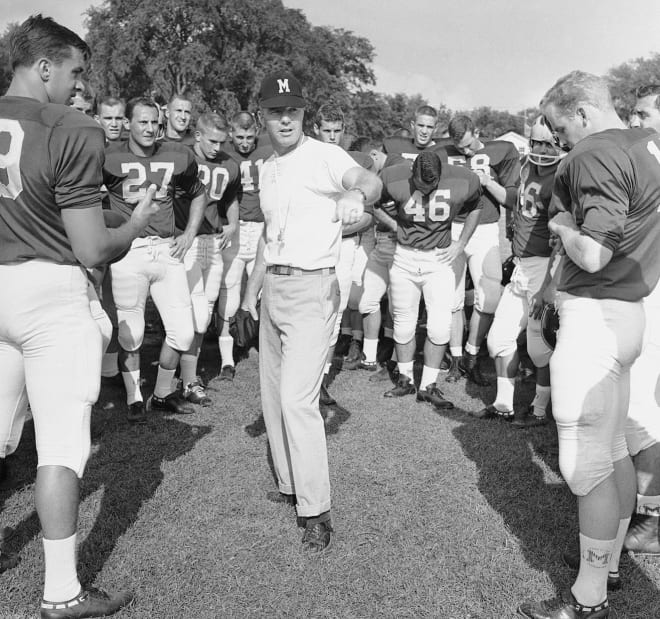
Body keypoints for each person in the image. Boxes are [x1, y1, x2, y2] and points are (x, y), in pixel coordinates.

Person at [0, 14, 159, 616]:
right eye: (73, 70)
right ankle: (62, 592)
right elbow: (93, 248)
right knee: (62, 447)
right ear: (43, 66)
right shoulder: (69, 126)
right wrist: (139, 223)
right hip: (49, 294)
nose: (77, 84)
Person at [517, 71, 660, 619]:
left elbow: (595, 252)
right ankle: (612, 564)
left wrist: (559, 225)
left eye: (559, 128)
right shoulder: (646, 144)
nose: (559, 141)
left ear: (581, 113)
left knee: (585, 464)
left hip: (597, 315)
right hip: (628, 313)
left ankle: (588, 596)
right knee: (616, 445)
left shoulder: (595, 151)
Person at [241, 72, 382, 553]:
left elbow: (369, 179)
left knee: (298, 400)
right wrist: (249, 294)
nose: (285, 119)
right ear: (263, 113)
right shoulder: (267, 166)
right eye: (276, 110)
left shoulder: (325, 155)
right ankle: (289, 485)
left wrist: (356, 194)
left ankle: (316, 511)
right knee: (274, 396)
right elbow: (269, 236)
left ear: (304, 114)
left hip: (312, 287)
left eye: (293, 111)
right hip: (274, 288)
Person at [103, 97, 207, 423]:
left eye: (153, 122)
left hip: (166, 249)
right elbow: (85, 197)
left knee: (183, 333)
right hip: (128, 250)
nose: (149, 128)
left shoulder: (177, 153)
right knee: (130, 334)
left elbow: (199, 192)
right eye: (142, 122)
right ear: (129, 123)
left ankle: (161, 394)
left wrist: (190, 232)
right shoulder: (108, 156)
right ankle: (135, 397)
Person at [475, 116, 562, 425]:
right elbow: (516, 201)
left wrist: (548, 284)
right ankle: (503, 404)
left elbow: (560, 237)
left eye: (545, 143)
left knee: (540, 347)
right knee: (498, 339)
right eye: (535, 141)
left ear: (559, 141)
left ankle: (540, 410)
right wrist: (489, 183)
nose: (539, 148)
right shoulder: (526, 167)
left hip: (543, 266)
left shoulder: (563, 175)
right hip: (521, 265)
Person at [379, 151, 482, 408]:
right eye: (421, 186)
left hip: (439, 259)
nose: (425, 192)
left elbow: (477, 207)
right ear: (412, 173)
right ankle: (405, 380)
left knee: (439, 325)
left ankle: (428, 385)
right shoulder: (393, 176)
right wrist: (394, 225)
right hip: (404, 256)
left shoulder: (463, 179)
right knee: (403, 321)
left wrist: (462, 243)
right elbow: (373, 203)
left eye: (431, 187)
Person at [439, 115, 520, 386]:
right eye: (458, 147)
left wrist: (488, 182)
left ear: (477, 131)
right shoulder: (441, 153)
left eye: (467, 144)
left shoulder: (502, 151)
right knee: (452, 299)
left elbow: (511, 199)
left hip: (485, 229)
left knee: (489, 298)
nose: (464, 151)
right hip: (451, 230)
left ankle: (472, 355)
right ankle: (455, 357)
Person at [174, 112, 241, 404]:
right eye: (212, 141)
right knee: (182, 306)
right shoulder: (181, 156)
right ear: (198, 135)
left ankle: (189, 376)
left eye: (221, 141)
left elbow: (231, 199)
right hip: (183, 240)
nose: (217, 147)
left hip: (209, 240)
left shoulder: (229, 164)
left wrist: (234, 223)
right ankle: (174, 374)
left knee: (204, 306)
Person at [312, 104, 374, 404]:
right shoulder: (304, 158)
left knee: (335, 314)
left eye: (337, 131)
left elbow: (368, 215)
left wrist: (334, 231)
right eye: (327, 130)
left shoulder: (354, 164)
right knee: (307, 310)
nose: (333, 136)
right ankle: (300, 375)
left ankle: (321, 377)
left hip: (343, 245)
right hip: (308, 247)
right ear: (316, 129)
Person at [219, 111, 273, 379]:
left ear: (257, 132)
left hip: (263, 229)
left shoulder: (269, 147)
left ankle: (265, 347)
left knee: (264, 293)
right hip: (235, 230)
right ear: (230, 132)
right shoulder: (222, 152)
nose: (244, 142)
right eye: (239, 137)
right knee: (228, 293)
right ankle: (227, 359)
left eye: (249, 137)